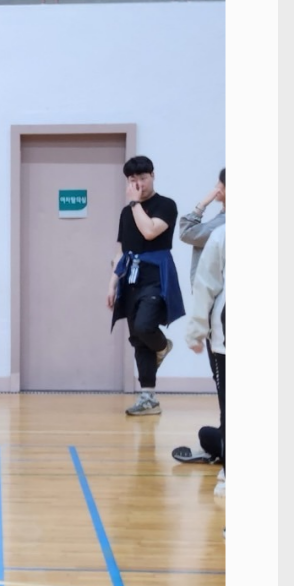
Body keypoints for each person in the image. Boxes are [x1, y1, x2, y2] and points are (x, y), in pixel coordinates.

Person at [106, 155, 185, 416]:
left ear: (153, 176)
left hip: (156, 275)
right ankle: (148, 398)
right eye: (132, 179)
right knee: (138, 339)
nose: (138, 183)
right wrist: (112, 283)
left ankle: (162, 346)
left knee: (144, 326)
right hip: (131, 277)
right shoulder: (125, 213)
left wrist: (135, 203)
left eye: (143, 177)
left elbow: (150, 231)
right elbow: (121, 251)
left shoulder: (166, 205)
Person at [173, 169, 226, 464]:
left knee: (223, 386)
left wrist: (202, 203)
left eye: (220, 184)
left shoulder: (222, 229)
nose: (216, 188)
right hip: (219, 319)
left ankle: (224, 448)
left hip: (220, 323)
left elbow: (186, 232)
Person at [185, 224, 225, 497]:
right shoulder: (222, 234)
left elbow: (205, 285)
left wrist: (196, 332)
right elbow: (206, 285)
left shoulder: (222, 234)